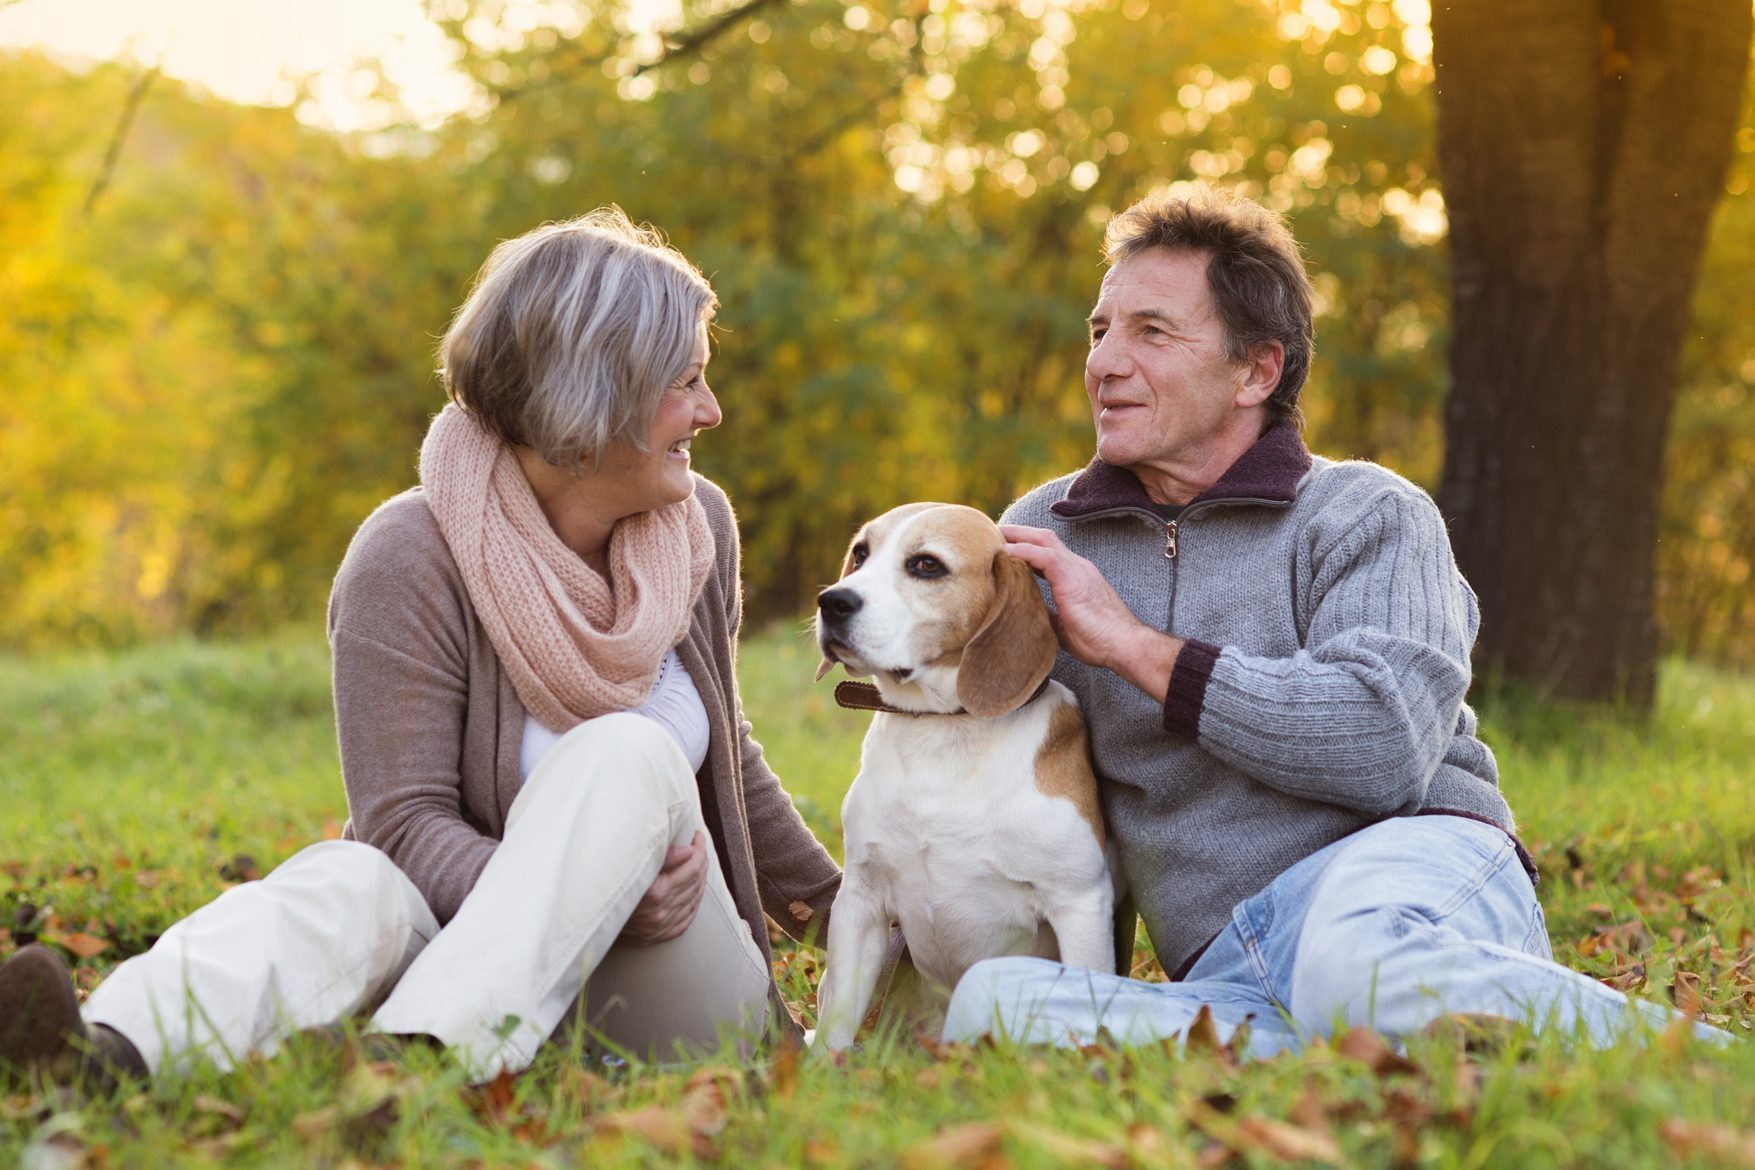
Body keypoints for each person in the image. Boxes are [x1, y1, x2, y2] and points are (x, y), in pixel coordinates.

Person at [0, 208, 841, 1087]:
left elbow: (732, 765)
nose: (711, 411)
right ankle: (99, 1055)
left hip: (676, 997)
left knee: (626, 748)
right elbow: (404, 829)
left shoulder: (696, 530)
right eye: (686, 381)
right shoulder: (411, 555)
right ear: (596, 391)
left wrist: (864, 924)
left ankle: (416, 1082)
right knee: (344, 877)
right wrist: (591, 895)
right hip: (472, 969)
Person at [941, 187, 1722, 1053]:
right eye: (1099, 330)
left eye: (1151, 332)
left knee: (1354, 965)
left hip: (1402, 880)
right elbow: (981, 736)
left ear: (1256, 371)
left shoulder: (1364, 513)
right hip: (1226, 966)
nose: (1104, 363)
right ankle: (1349, 1050)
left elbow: (1378, 747)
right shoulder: (1043, 532)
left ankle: (1716, 1070)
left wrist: (1129, 646)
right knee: (997, 1003)